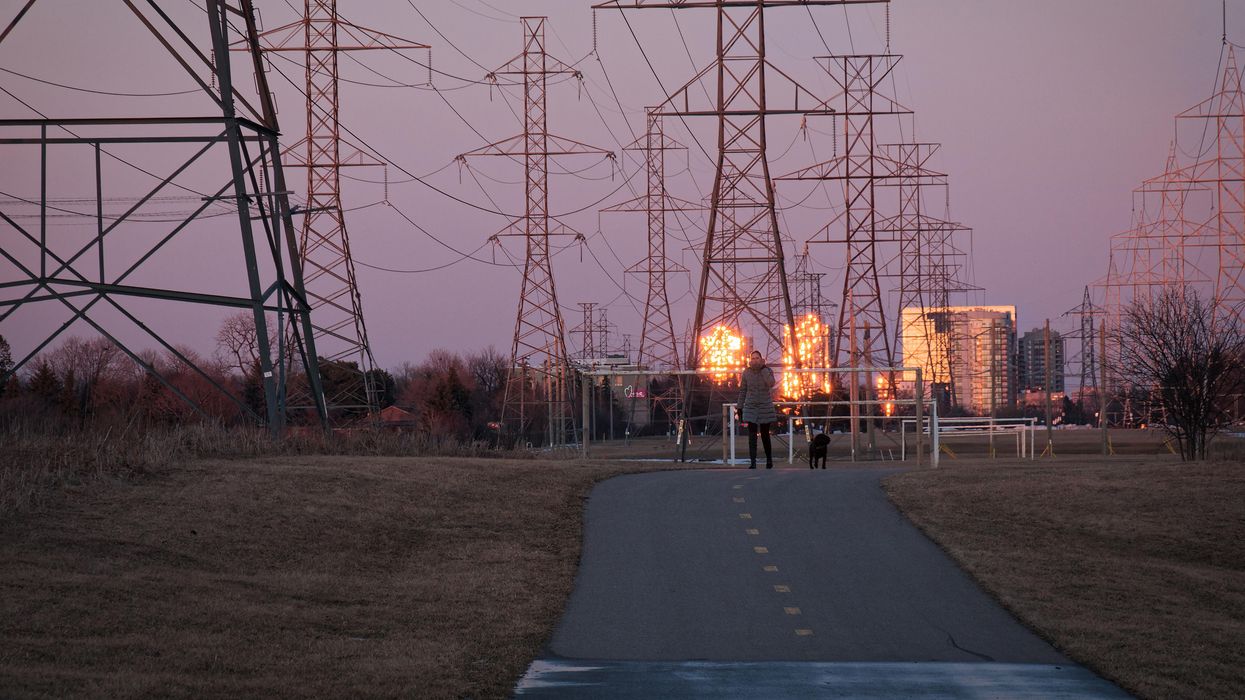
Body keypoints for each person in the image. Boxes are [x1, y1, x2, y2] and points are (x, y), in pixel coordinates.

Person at [737, 350, 777, 469]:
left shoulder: (767, 371)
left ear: (761, 359)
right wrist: (740, 407)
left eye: (757, 358)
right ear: (750, 360)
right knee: (752, 434)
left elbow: (771, 383)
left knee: (765, 434)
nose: (755, 360)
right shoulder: (746, 373)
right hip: (750, 406)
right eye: (753, 358)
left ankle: (769, 460)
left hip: (765, 405)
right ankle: (753, 461)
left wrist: (763, 369)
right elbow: (743, 390)